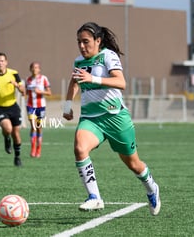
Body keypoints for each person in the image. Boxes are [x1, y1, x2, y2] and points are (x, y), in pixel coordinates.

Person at [63, 22, 161, 215]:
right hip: (91, 119)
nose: (82, 46)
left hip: (115, 118)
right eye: (79, 42)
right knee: (79, 148)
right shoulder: (78, 61)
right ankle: (95, 197)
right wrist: (67, 105)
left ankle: (151, 187)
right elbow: (74, 82)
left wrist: (93, 79)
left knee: (134, 164)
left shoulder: (108, 56)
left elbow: (120, 82)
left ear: (98, 41)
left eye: (86, 42)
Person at [25, 61, 51, 158]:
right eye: (32, 67)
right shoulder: (28, 80)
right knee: (33, 126)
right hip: (30, 106)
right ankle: (33, 149)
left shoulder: (43, 79)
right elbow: (25, 93)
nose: (34, 69)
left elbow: (49, 93)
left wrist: (40, 92)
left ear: (39, 69)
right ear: (30, 69)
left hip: (41, 106)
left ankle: (38, 149)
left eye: (36, 67)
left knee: (39, 127)